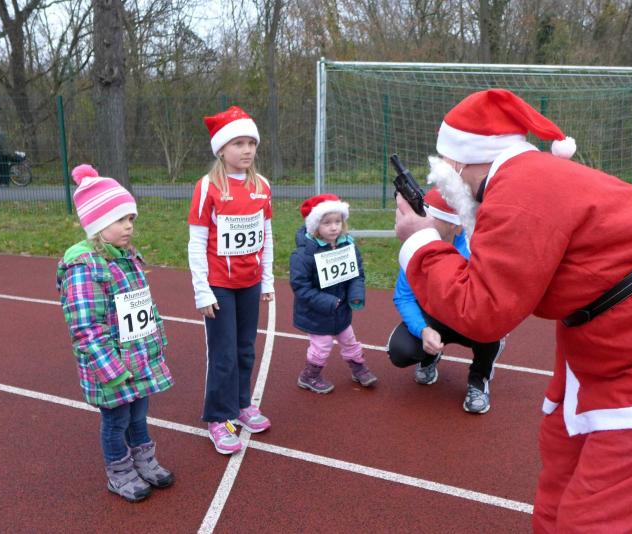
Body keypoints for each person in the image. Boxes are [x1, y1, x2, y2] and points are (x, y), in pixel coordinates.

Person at [393, 88, 632, 533]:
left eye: (446, 163)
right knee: (561, 472)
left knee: (604, 519)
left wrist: (418, 241)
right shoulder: (524, 179)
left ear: (461, 161)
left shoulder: (519, 190)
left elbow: (482, 311)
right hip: (622, 332)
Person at [56, 164, 175, 503]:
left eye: (130, 219)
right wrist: (112, 370)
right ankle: (119, 472)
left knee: (138, 414)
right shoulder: (84, 269)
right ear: (97, 224)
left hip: (139, 358)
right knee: (117, 420)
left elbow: (143, 306)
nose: (128, 226)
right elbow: (86, 328)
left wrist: (156, 343)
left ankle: (143, 460)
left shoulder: (127, 258)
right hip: (111, 368)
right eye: (119, 219)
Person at [188, 105, 274, 455]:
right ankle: (218, 418)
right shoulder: (207, 187)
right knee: (222, 354)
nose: (247, 150)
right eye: (238, 143)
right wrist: (202, 290)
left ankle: (241, 404)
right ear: (221, 149)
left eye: (251, 143)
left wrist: (267, 280)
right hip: (219, 286)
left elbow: (267, 236)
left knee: (245, 348)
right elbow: (196, 241)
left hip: (249, 282)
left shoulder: (262, 186)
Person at [387, 186, 504, 413]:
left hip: (469, 318)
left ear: (456, 225)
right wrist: (423, 330)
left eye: (434, 218)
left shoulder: (476, 250)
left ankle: (478, 379)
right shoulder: (419, 244)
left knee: (493, 327)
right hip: (435, 318)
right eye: (425, 216)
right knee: (400, 351)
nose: (425, 223)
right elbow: (403, 296)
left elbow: (493, 299)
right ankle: (431, 354)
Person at [290, 193, 376, 394]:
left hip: (342, 309)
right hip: (317, 312)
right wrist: (328, 302)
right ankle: (309, 376)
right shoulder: (303, 255)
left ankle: (358, 368)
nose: (334, 227)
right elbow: (301, 287)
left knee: (349, 339)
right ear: (315, 226)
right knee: (322, 345)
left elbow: (357, 275)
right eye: (327, 223)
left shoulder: (348, 246)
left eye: (337, 221)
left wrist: (355, 294)